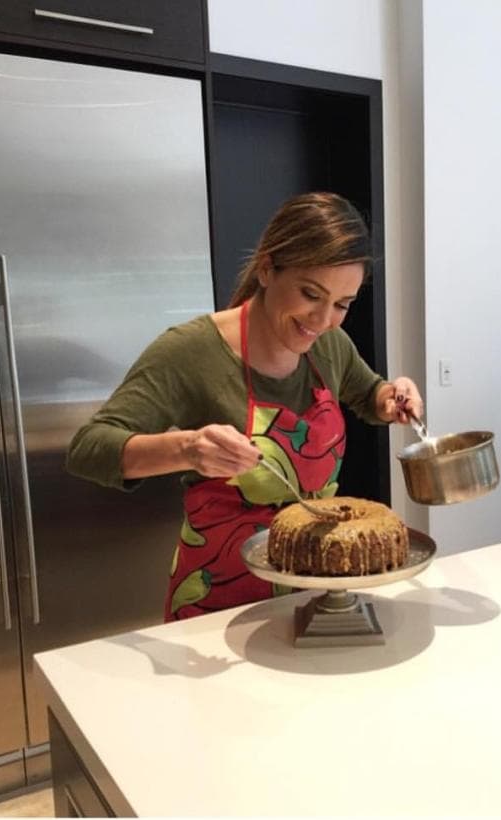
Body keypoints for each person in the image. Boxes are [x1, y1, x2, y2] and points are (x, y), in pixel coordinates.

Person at [66, 192, 423, 622]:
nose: (323, 319)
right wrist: (187, 449)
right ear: (267, 268)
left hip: (311, 592)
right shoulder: (191, 351)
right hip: (216, 602)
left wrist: (392, 398)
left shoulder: (330, 346)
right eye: (311, 294)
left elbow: (369, 395)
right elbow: (88, 448)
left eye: (342, 305)